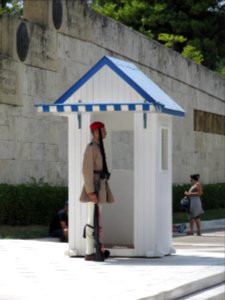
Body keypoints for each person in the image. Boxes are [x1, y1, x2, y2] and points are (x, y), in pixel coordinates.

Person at [80, 121, 115, 261]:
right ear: (96, 132)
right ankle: (89, 251)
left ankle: (98, 249)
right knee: (91, 219)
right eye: (103, 130)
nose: (105, 132)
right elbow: (86, 171)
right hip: (94, 186)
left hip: (100, 184)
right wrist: (90, 192)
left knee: (97, 218)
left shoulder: (99, 147)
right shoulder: (91, 148)